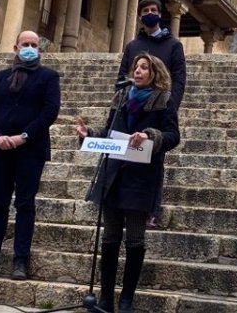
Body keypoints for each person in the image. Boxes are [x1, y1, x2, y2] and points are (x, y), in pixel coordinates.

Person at [77, 53, 180, 313]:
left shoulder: (164, 100)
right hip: (114, 175)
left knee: (134, 239)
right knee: (110, 237)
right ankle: (105, 299)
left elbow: (172, 136)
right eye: (136, 67)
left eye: (144, 67)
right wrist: (89, 134)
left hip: (141, 177)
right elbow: (110, 131)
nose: (138, 71)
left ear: (155, 72)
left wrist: (148, 135)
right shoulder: (122, 96)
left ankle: (126, 300)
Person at [0, 30, 61, 280]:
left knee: (25, 205)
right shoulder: (1, 77)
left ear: (40, 50)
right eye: (25, 44)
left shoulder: (48, 77)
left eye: (34, 44)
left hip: (31, 150)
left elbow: (49, 112)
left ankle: (20, 261)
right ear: (15, 48)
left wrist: (23, 136)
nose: (29, 47)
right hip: (1, 150)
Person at [118, 0, 187, 228]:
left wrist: (170, 104)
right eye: (146, 10)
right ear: (140, 15)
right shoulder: (133, 46)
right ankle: (126, 203)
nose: (150, 13)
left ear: (160, 14)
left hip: (159, 109)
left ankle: (152, 210)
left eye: (154, 10)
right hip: (132, 107)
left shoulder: (174, 45)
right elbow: (123, 76)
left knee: (154, 161)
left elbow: (179, 78)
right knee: (128, 157)